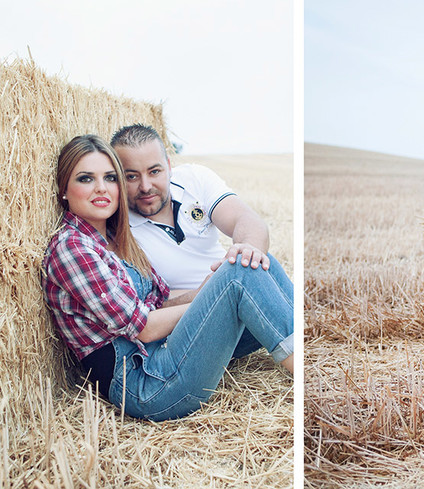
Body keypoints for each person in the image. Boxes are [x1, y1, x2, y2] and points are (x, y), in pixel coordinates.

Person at [42, 135, 294, 421]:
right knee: (239, 274)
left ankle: (298, 340)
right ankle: (306, 377)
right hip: (148, 386)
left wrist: (211, 293)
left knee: (256, 261)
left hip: (164, 353)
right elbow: (145, 329)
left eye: (110, 178)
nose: (101, 188)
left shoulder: (114, 237)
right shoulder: (72, 249)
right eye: (86, 179)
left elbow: (159, 302)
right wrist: (216, 301)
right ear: (64, 189)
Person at [109, 125, 292, 360]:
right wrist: (204, 294)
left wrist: (248, 252)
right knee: (244, 276)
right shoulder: (116, 230)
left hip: (235, 297)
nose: (145, 186)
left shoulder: (194, 178)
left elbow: (245, 219)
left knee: (259, 262)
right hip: (190, 328)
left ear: (168, 166)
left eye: (154, 171)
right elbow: (144, 308)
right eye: (131, 176)